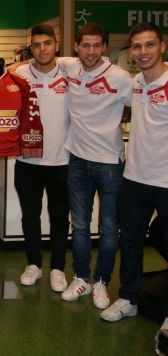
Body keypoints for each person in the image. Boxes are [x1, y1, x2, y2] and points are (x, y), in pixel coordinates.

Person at [57, 22, 132, 308]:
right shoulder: (70, 66)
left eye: (97, 46)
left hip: (109, 163)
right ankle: (82, 278)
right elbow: (39, 62)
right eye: (85, 45)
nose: (91, 51)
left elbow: (145, 102)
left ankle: (101, 281)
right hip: (77, 160)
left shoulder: (120, 77)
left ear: (105, 48)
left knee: (109, 228)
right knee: (79, 225)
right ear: (76, 47)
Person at [100, 22, 168, 322]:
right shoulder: (136, 82)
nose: (143, 52)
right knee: (130, 242)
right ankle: (128, 298)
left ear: (162, 46)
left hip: (166, 181)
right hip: (135, 178)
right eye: (137, 46)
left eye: (149, 44)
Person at [13, 24, 70, 292]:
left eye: (47, 43)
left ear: (56, 45)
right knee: (30, 216)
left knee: (60, 217)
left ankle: (58, 268)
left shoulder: (70, 71)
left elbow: (92, 61)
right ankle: (33, 263)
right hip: (28, 161)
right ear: (30, 49)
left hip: (63, 160)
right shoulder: (21, 74)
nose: (42, 49)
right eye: (36, 45)